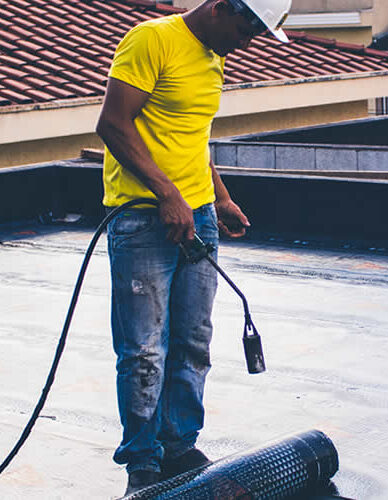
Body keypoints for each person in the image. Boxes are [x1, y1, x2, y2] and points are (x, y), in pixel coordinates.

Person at [95, 0, 291, 493]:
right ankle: (142, 459)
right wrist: (167, 195)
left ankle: (178, 443)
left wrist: (218, 198)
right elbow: (113, 124)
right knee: (143, 349)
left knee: (193, 340)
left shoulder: (214, 54)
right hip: (143, 217)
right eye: (247, 32)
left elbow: (193, 137)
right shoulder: (151, 40)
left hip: (196, 212)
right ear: (223, 8)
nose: (247, 45)